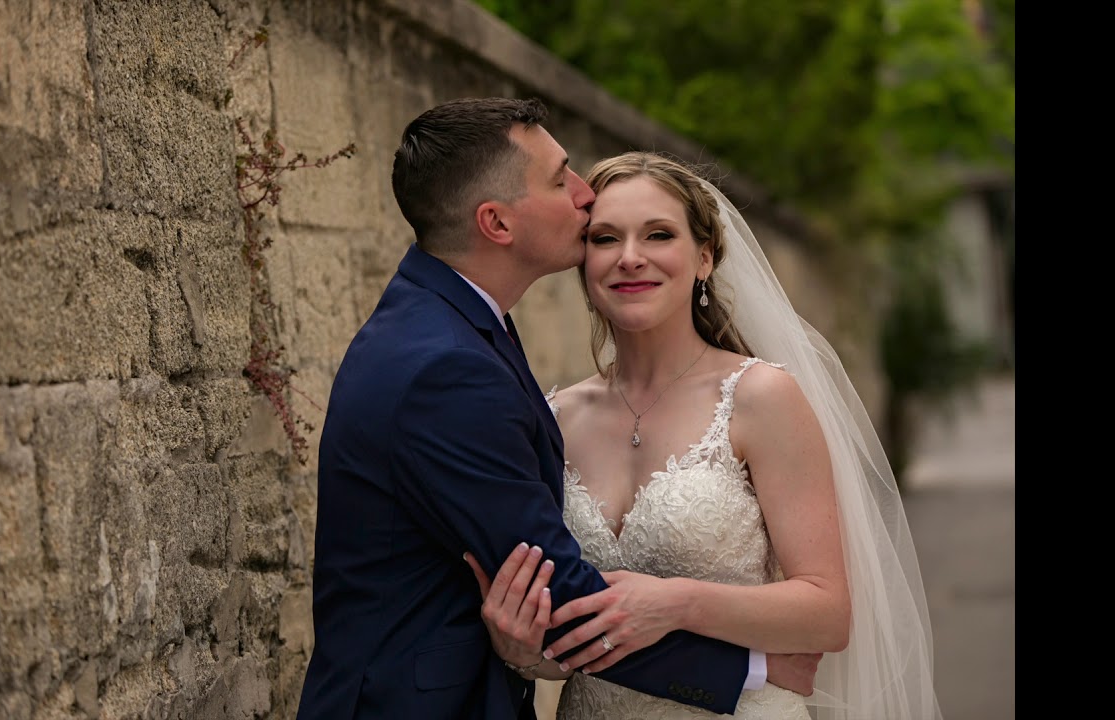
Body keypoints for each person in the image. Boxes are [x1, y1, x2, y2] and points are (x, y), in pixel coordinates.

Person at [294, 98, 820, 720]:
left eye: (658, 234)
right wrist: (753, 670)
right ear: (496, 223)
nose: (582, 194)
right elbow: (548, 591)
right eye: (559, 178)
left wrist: (684, 616)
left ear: (705, 256)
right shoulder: (452, 366)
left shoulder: (457, 329)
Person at [469, 151, 943, 719]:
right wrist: (522, 651)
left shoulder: (760, 398)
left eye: (658, 234)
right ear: (583, 259)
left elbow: (828, 612)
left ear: (704, 257)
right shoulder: (552, 417)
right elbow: (566, 636)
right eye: (604, 239)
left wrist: (675, 603)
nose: (630, 258)